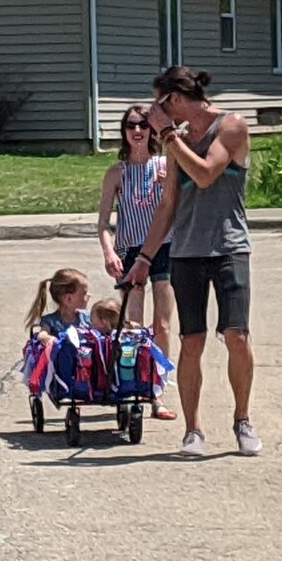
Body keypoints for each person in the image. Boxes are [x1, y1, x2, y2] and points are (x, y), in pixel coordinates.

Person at [125, 65, 257, 457]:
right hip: (186, 252)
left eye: (158, 104)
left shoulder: (230, 126)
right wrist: (145, 257)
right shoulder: (175, 140)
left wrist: (168, 135)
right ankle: (193, 430)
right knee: (192, 341)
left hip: (229, 247)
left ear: (176, 100)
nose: (153, 114)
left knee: (237, 336)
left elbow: (204, 175)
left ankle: (243, 419)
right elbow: (168, 204)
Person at [96, 102, 176, 416]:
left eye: (143, 125)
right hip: (130, 250)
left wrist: (169, 184)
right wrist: (108, 252)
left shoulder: (164, 165)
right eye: (131, 126)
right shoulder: (118, 172)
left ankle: (157, 391)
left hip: (164, 248)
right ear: (124, 132)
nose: (138, 131)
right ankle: (132, 386)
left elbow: (181, 205)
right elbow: (103, 221)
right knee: (134, 325)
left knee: (163, 325)